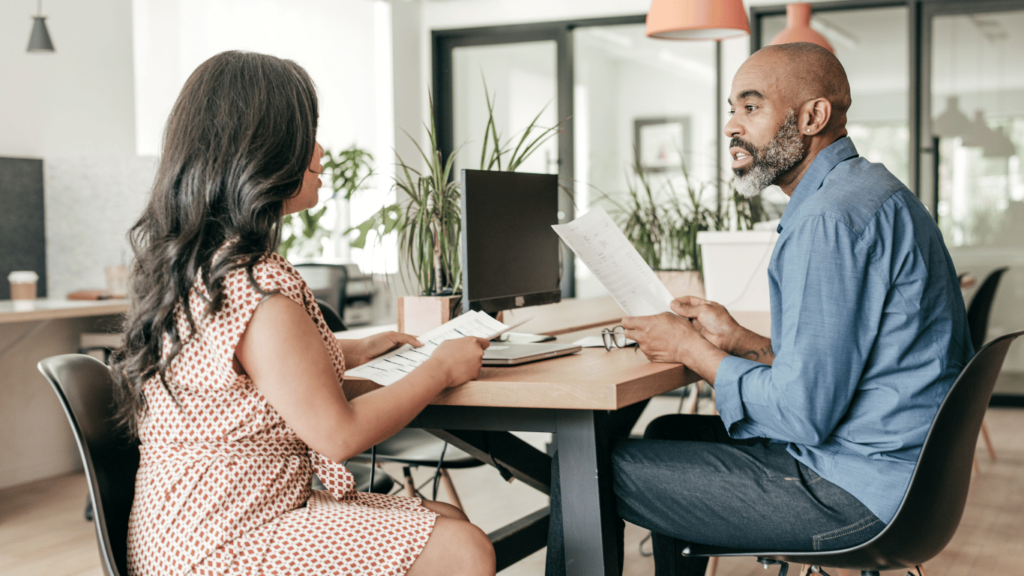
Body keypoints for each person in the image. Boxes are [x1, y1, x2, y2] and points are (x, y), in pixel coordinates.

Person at [546, 42, 972, 576]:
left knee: (582, 467)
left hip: (854, 495)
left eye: (750, 107)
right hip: (909, 482)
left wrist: (691, 350)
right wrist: (739, 340)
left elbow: (803, 412)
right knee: (667, 436)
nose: (730, 126)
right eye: (730, 109)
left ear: (812, 116)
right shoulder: (869, 192)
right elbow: (839, 367)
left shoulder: (828, 220)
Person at [110, 51, 495, 576]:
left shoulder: (208, 265)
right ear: (261, 152)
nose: (320, 152)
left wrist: (349, 351)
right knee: (462, 550)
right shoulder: (256, 289)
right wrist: (441, 368)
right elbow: (339, 436)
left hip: (185, 530)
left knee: (445, 518)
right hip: (220, 545)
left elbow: (248, 390)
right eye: (306, 134)